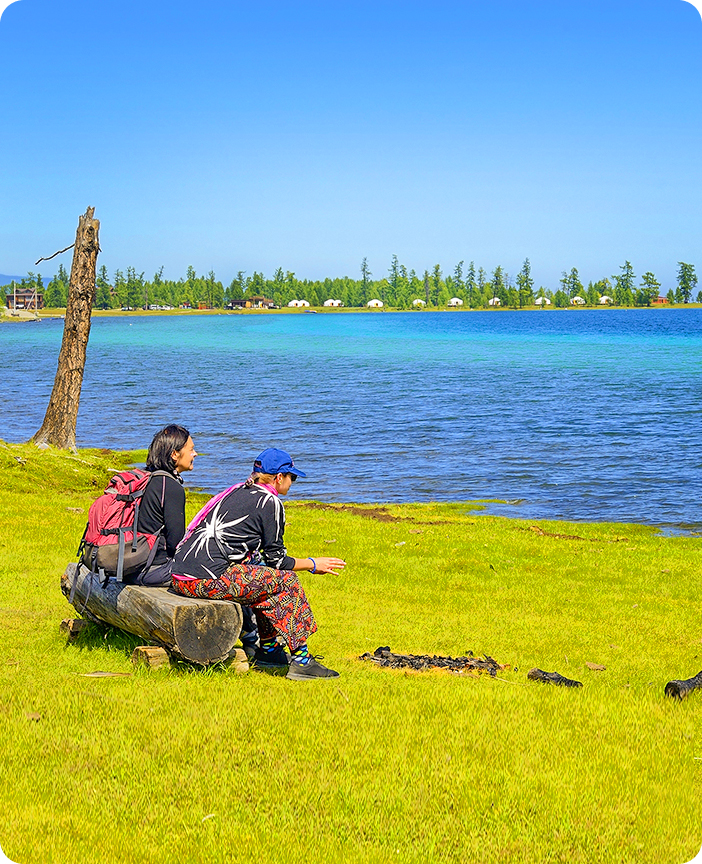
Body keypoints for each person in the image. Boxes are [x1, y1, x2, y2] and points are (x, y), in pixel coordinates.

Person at [171, 448, 345, 680]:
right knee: (286, 581)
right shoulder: (270, 502)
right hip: (206, 580)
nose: (292, 482)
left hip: (181, 577)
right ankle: (302, 661)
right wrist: (313, 564)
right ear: (279, 477)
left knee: (264, 579)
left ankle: (270, 651)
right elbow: (278, 561)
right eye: (292, 477)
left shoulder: (237, 491)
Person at [127, 424, 198, 586]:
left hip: (128, 568)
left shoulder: (146, 478)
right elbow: (176, 544)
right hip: (152, 571)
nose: (195, 453)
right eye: (191, 449)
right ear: (174, 454)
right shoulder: (171, 487)